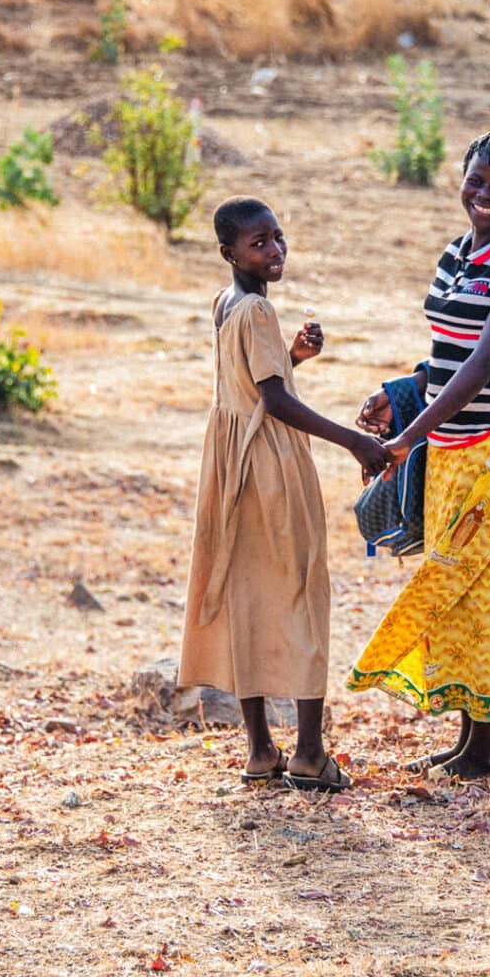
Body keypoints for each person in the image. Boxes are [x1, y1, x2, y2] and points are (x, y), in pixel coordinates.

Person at [347, 131, 490, 780]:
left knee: (480, 588)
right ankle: (468, 741)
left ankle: (488, 750)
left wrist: (409, 435)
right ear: (461, 178)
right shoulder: (455, 256)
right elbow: (449, 354)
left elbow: (487, 364)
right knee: (456, 588)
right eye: (478, 180)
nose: (487, 194)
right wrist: (399, 393)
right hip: (453, 445)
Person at [180, 196, 389, 791]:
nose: (274, 251)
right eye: (258, 243)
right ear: (229, 253)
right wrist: (353, 441)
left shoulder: (227, 303)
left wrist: (293, 357)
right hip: (271, 464)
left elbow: (251, 383)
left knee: (247, 595)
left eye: (277, 238)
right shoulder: (258, 314)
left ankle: (259, 752)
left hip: (229, 466)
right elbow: (272, 402)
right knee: (300, 593)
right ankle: (309, 754)